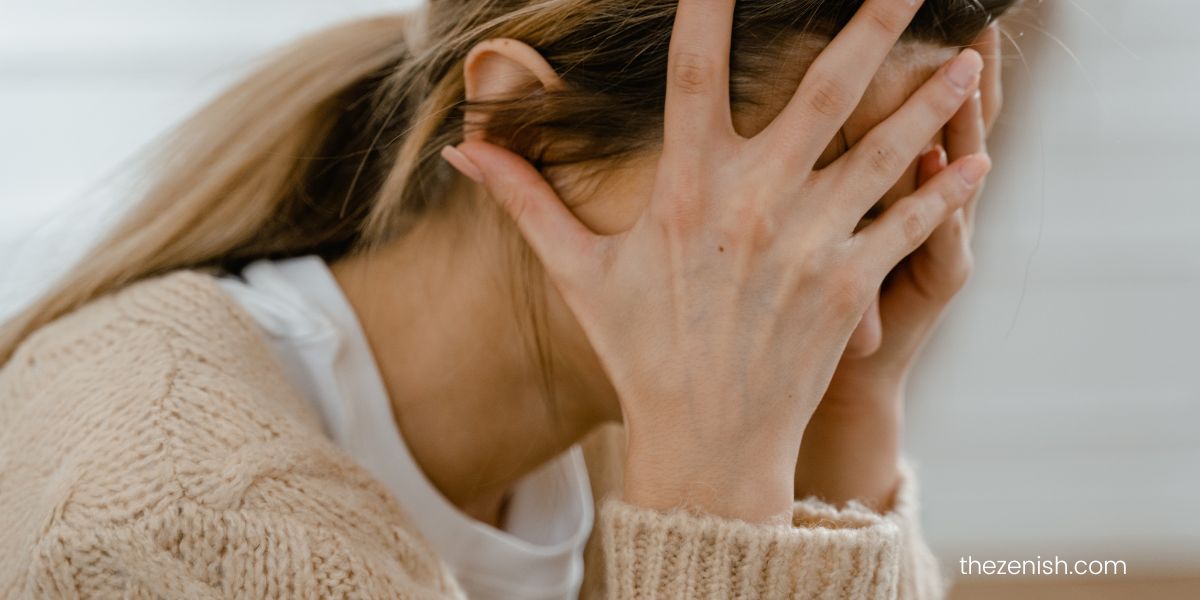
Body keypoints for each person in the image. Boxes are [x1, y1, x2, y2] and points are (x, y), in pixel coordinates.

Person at [0, 0, 1013, 597]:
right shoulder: (171, 525)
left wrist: (847, 410)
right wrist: (717, 512)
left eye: (900, 191)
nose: (847, 273)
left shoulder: (622, 436)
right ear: (530, 127)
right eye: (810, 185)